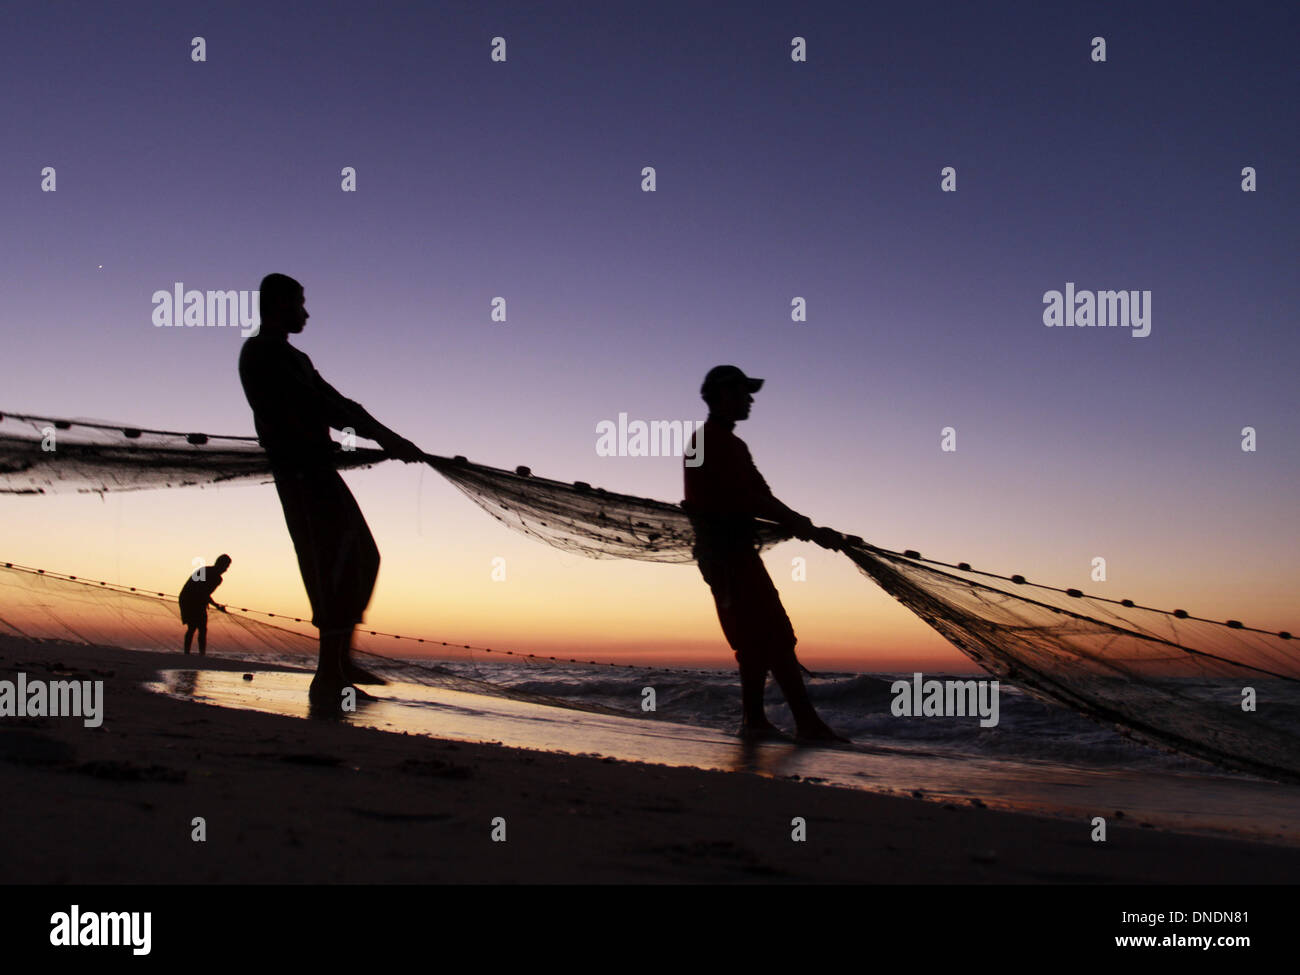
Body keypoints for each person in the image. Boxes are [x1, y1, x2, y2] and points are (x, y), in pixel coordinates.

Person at [238, 273, 426, 705]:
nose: (305, 312)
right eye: (299, 303)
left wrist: (388, 435)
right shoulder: (261, 352)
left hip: (319, 468)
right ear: (277, 305)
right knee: (330, 562)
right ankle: (328, 677)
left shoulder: (296, 357)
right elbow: (318, 405)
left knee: (363, 556)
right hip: (298, 471)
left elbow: (341, 402)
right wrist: (384, 438)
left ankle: (342, 662)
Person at [683, 365, 845, 742]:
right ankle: (806, 725)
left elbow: (760, 496)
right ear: (723, 395)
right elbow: (746, 499)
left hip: (732, 551)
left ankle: (756, 722)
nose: (751, 399)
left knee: (757, 639)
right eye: (744, 391)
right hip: (726, 554)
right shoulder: (707, 441)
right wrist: (801, 524)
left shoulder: (729, 443)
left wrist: (807, 527)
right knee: (773, 634)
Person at [178, 554, 232, 655]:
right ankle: (188, 654)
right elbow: (200, 590)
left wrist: (214, 604)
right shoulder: (205, 572)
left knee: (202, 628)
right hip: (188, 600)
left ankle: (201, 654)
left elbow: (205, 593)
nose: (226, 569)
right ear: (220, 564)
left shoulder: (216, 578)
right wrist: (216, 605)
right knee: (193, 627)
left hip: (198, 601)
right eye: (226, 566)